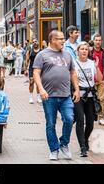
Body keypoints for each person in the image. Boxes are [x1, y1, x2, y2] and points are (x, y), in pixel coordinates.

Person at [33, 30, 80, 161]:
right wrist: (41, 89)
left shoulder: (67, 54)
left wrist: (76, 90)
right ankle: (54, 149)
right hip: (49, 96)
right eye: (60, 39)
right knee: (50, 124)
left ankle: (64, 144)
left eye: (63, 39)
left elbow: (73, 73)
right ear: (52, 40)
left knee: (69, 119)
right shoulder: (42, 55)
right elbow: (36, 73)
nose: (63, 41)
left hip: (65, 95)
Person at [74, 42, 102, 157]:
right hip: (79, 96)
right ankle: (82, 147)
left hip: (90, 96)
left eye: (86, 49)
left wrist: (96, 67)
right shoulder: (74, 63)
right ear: (78, 51)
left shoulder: (91, 63)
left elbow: (99, 79)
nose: (84, 51)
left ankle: (85, 140)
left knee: (90, 123)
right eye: (82, 49)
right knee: (80, 120)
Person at [90, 33, 104, 126]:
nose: (98, 42)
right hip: (91, 80)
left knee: (101, 98)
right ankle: (89, 116)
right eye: (96, 40)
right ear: (93, 41)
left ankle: (101, 117)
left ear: (101, 41)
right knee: (90, 99)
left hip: (102, 79)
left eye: (99, 40)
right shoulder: (89, 52)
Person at [25, 38, 42, 104]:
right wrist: (26, 69)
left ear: (38, 42)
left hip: (39, 68)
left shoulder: (41, 50)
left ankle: (38, 97)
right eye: (33, 42)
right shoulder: (30, 50)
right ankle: (31, 97)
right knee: (31, 82)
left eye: (36, 41)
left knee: (38, 82)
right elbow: (27, 60)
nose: (34, 43)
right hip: (32, 68)